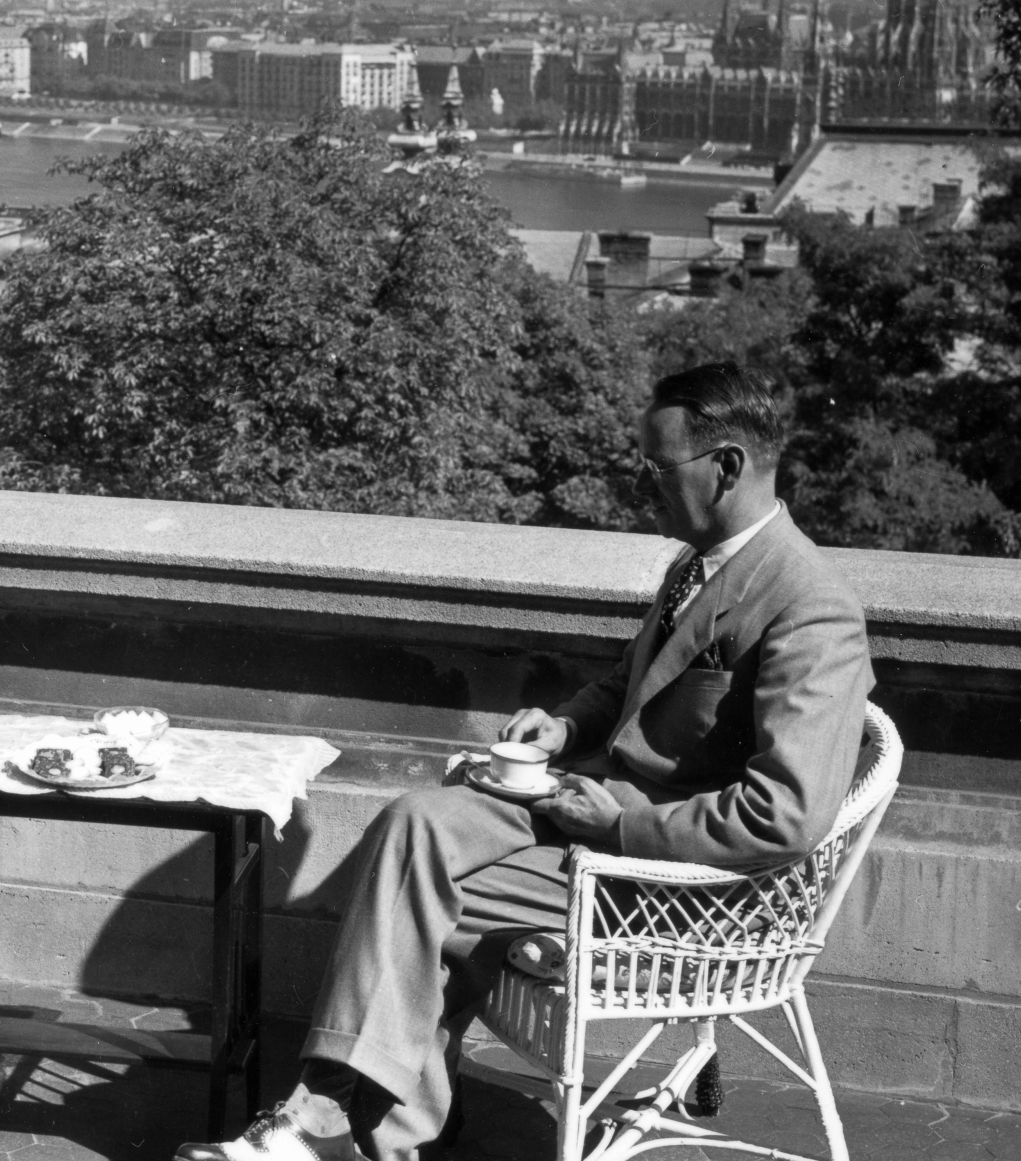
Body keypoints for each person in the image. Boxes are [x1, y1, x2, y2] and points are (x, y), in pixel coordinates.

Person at [178, 361, 873, 1161]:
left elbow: (785, 814)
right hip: (590, 819)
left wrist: (622, 824)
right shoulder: (696, 563)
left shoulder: (811, 604)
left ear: (726, 467)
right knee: (413, 824)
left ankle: (337, 1120)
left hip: (673, 886)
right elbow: (629, 685)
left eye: (656, 466)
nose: (640, 484)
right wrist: (566, 727)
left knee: (417, 898)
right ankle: (369, 1123)